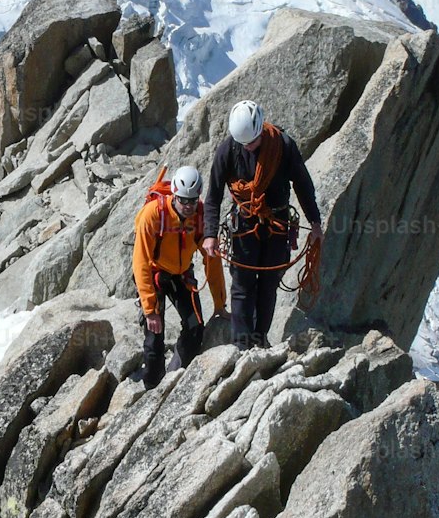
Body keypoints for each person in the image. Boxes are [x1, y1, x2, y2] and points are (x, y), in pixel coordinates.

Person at [202, 99, 323, 350]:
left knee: (268, 284)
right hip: (245, 224)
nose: (247, 148)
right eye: (243, 143)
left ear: (260, 131)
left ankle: (260, 337)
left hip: (277, 223)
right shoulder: (229, 149)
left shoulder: (282, 145)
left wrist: (315, 222)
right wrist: (210, 234)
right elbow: (213, 194)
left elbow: (302, 184)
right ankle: (242, 345)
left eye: (252, 143)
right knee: (243, 285)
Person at [132, 164, 227, 389]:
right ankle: (152, 390)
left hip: (181, 274)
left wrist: (219, 304)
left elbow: (212, 261)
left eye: (192, 201)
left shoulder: (200, 216)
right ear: (174, 195)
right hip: (156, 274)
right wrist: (149, 309)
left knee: (195, 328)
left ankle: (175, 380)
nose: (188, 206)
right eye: (183, 200)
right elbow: (141, 263)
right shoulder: (153, 215)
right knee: (155, 338)